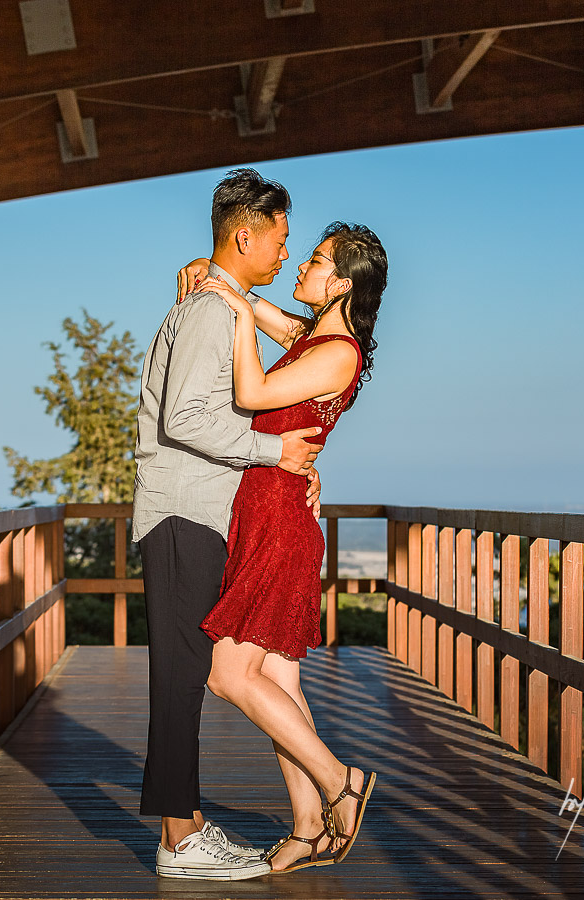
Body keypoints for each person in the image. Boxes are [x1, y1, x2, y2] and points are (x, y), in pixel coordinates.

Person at [132, 168, 325, 881]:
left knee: (187, 675)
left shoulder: (221, 301)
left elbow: (314, 340)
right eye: (279, 239)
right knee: (181, 678)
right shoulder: (210, 311)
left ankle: (186, 828)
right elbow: (185, 420)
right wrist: (276, 451)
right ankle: (180, 840)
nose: (284, 253)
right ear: (246, 235)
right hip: (185, 510)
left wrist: (242, 295)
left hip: (198, 511)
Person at [181, 220, 386, 874]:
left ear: (342, 283)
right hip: (268, 514)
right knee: (276, 681)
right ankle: (307, 827)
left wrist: (236, 307)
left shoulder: (338, 352)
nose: (300, 267)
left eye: (316, 261)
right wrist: (213, 276)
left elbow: (252, 393)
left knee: (228, 674)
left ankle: (339, 783)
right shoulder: (310, 338)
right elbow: (247, 298)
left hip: (279, 526)